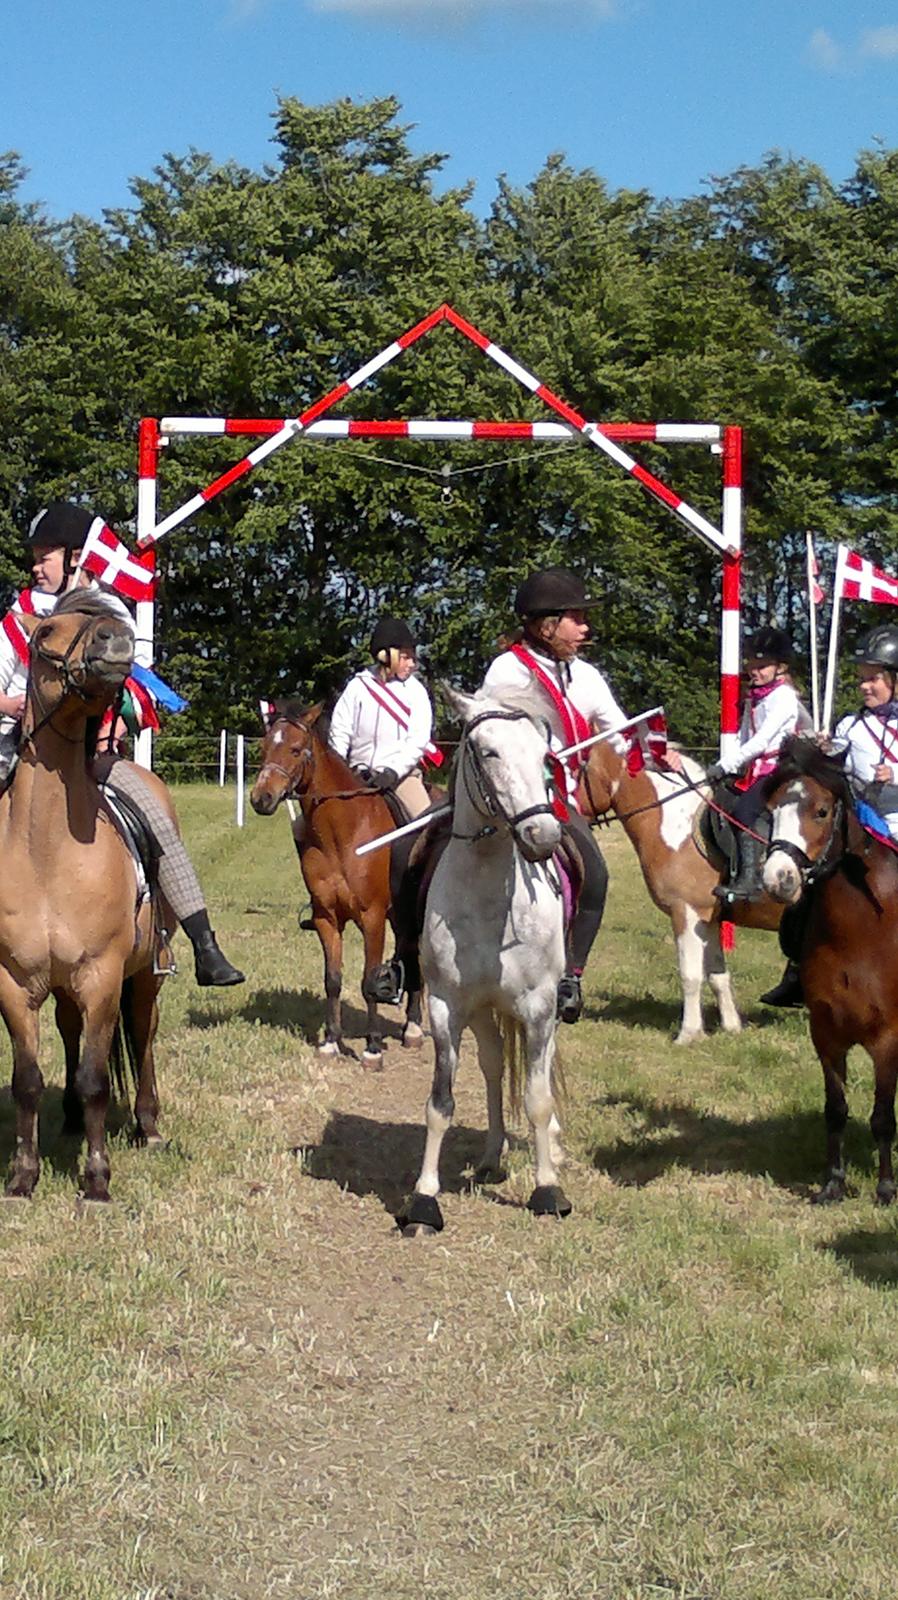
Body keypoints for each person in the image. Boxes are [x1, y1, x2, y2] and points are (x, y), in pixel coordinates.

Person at [0, 501, 244, 988]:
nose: (35, 566)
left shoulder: (106, 615)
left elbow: (128, 686)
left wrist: (117, 720)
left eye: (44, 556)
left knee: (154, 813)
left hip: (93, 756)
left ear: (75, 557)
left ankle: (201, 941)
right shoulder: (18, 617)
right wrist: (24, 707)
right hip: (17, 750)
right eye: (35, 557)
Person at [483, 566, 630, 1023]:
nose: (585, 627)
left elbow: (618, 729)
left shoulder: (585, 676)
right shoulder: (506, 670)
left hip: (558, 802)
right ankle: (406, 958)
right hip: (504, 800)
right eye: (576, 617)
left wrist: (644, 748)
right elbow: (486, 733)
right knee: (421, 851)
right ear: (546, 625)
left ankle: (572, 975)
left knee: (598, 877)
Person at [706, 627, 803, 905]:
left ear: (780, 667)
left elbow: (761, 742)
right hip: (754, 768)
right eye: (751, 665)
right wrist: (726, 765)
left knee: (745, 811)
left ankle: (750, 879)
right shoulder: (756, 696)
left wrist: (725, 765)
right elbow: (743, 736)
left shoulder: (784, 698)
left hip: (779, 767)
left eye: (762, 666)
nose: (755, 671)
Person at [328, 616, 437, 818]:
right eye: (405, 657)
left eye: (413, 657)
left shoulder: (416, 691)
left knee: (425, 823)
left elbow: (418, 740)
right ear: (386, 656)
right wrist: (339, 768)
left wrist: (393, 771)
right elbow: (340, 731)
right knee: (302, 826)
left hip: (401, 777)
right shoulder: (357, 687)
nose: (412, 664)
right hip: (357, 775)